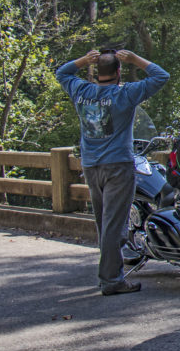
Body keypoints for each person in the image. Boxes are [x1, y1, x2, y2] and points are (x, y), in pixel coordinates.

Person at [56, 49, 169, 296]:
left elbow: (62, 72)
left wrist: (83, 60)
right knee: (113, 225)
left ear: (97, 72)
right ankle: (111, 279)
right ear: (118, 72)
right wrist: (136, 59)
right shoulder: (124, 94)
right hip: (118, 165)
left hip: (91, 166)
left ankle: (109, 272)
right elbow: (161, 76)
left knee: (104, 222)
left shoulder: (82, 91)